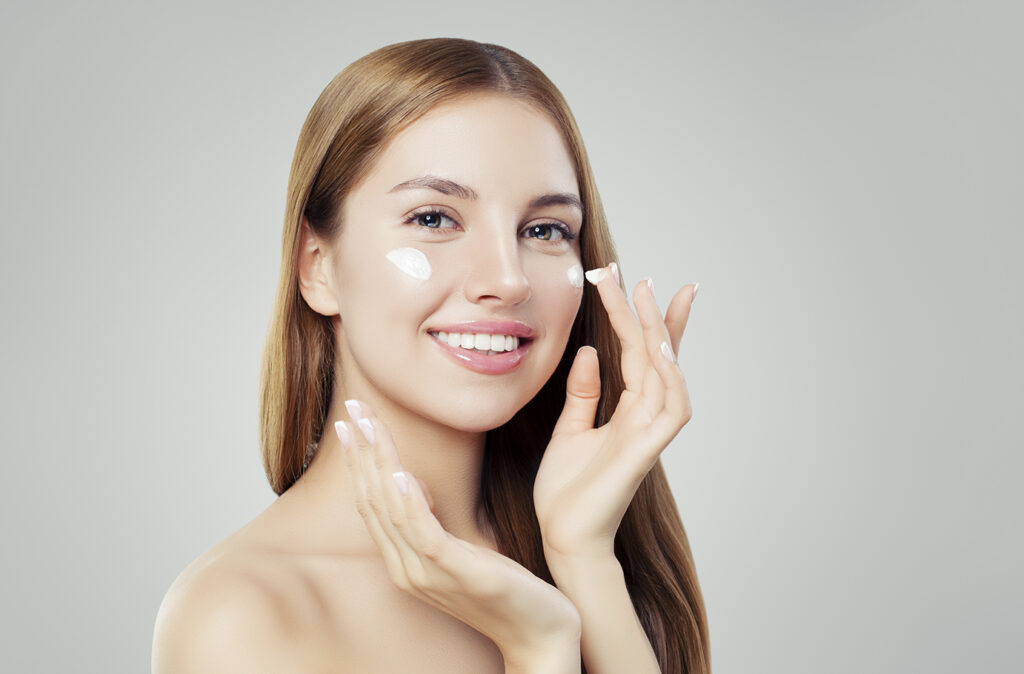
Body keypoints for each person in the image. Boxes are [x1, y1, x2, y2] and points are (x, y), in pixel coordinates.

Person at [152, 37, 709, 673]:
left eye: (544, 230)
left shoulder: (602, 563)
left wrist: (582, 557)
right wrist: (536, 647)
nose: (509, 279)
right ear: (318, 267)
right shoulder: (241, 615)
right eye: (434, 219)